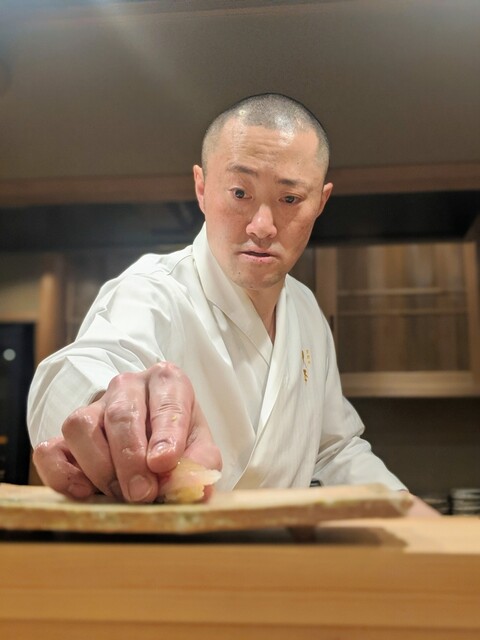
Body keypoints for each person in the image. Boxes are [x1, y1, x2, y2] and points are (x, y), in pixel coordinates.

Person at [27, 93, 434, 514]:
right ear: (202, 188)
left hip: (280, 553)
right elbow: (82, 367)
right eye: (240, 192)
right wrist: (107, 405)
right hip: (172, 554)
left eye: (290, 199)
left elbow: (334, 449)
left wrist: (412, 514)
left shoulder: (306, 310)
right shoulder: (152, 291)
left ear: (321, 201)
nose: (262, 226)